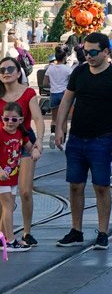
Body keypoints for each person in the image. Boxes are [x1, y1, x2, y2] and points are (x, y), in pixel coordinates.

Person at [53, 32, 112, 251]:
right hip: (77, 138)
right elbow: (66, 101)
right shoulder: (79, 72)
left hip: (102, 139)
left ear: (106, 52)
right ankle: (76, 230)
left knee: (101, 186)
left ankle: (103, 233)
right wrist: (59, 129)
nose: (89, 56)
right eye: (85, 52)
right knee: (75, 185)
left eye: (94, 52)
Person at [0, 51, 45, 248]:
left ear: (18, 72)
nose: (6, 72)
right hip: (2, 146)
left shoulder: (28, 93)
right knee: (4, 195)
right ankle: (4, 235)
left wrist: (40, 141)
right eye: (2, 70)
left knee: (25, 191)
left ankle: (27, 231)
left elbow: (37, 118)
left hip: (23, 144)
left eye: (10, 69)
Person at [1, 101, 35, 252]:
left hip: (12, 177)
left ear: (20, 120)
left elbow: (29, 147)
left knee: (8, 207)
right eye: (6, 119)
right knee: (8, 206)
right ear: (2, 118)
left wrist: (36, 150)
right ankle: (10, 240)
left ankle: (2, 238)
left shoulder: (20, 132)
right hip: (2, 177)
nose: (10, 122)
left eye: (14, 119)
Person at [47, 46, 73, 139]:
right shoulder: (68, 69)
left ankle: (53, 134)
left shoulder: (50, 68)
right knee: (64, 118)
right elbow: (71, 83)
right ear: (64, 58)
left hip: (53, 93)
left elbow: (45, 82)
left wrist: (53, 85)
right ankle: (63, 139)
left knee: (54, 118)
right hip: (64, 94)